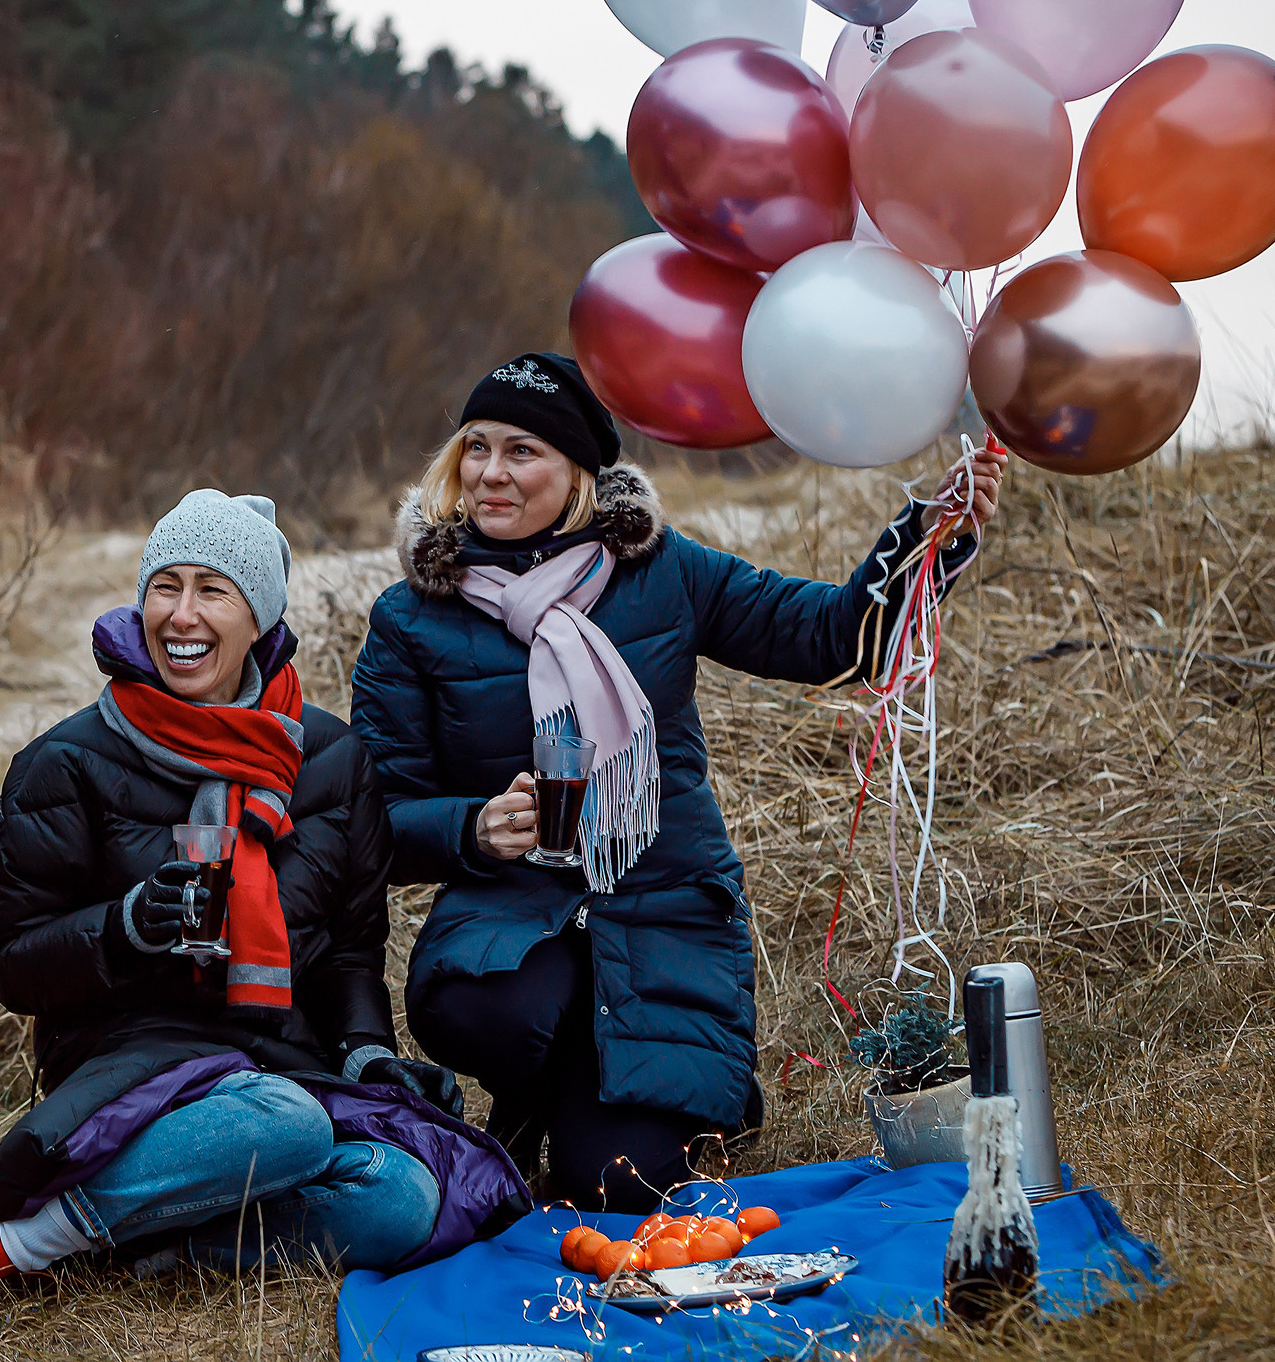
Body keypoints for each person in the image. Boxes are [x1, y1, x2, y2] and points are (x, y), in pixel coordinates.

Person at [0, 491, 524, 1333]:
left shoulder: (333, 759)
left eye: (212, 589)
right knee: (290, 1126)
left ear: (259, 613)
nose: (181, 614)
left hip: (281, 1061)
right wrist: (123, 927)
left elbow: (349, 952)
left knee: (403, 1198)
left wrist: (371, 1055)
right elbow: (8, 959)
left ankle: (139, 1243)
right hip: (131, 1059)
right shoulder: (68, 762)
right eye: (165, 585)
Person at [353, 354, 1004, 1209]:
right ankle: (546, 1084)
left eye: (522, 451)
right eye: (476, 448)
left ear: (579, 470)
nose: (490, 473)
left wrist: (926, 539)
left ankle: (691, 1095)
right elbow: (377, 819)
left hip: (662, 902)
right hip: (513, 913)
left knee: (616, 1186)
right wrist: (472, 827)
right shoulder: (412, 616)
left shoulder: (663, 571)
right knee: (482, 1011)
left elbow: (833, 638)